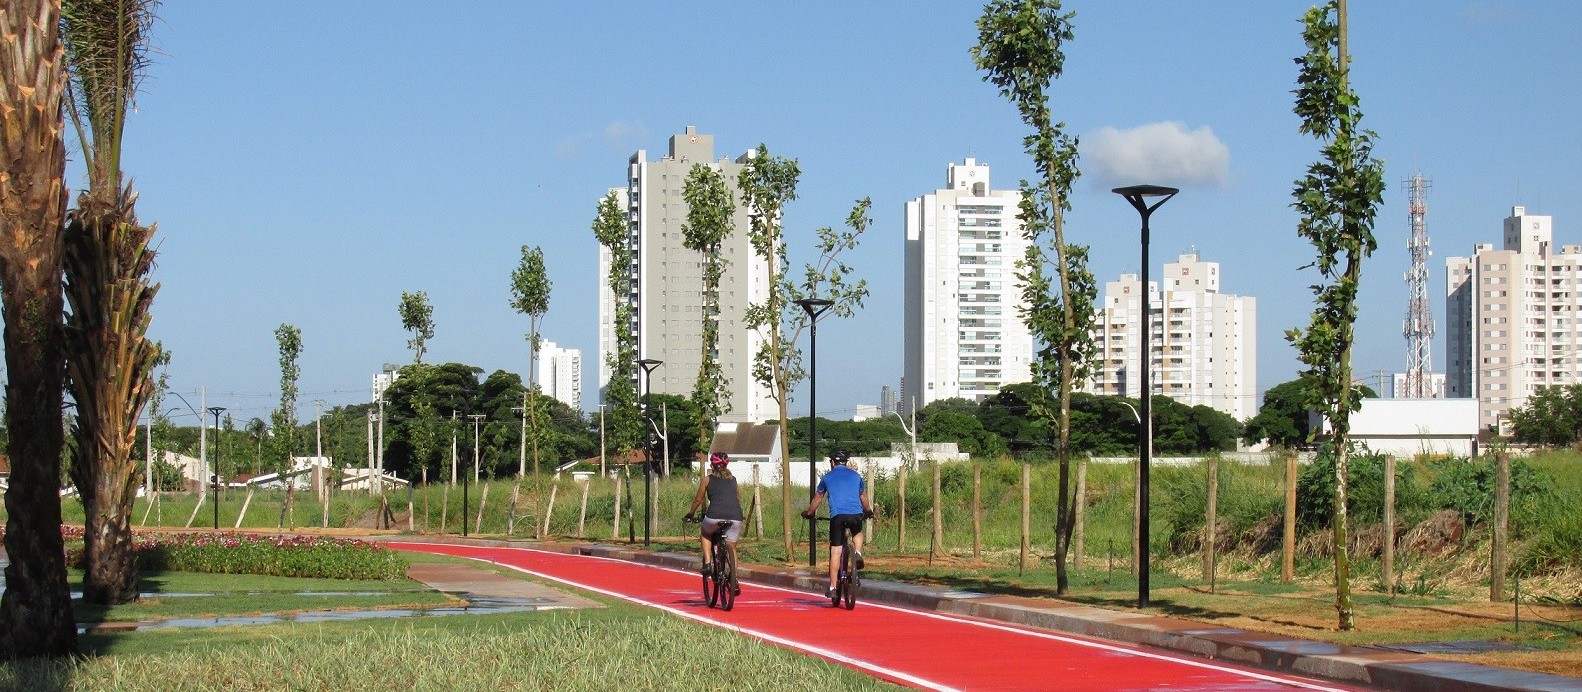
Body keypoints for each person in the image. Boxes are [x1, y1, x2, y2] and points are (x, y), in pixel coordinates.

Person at [801, 448, 874, 599]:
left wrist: (809, 513)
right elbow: (863, 497)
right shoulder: (856, 476)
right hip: (855, 514)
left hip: (838, 516)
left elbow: (818, 499)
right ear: (846, 462)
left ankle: (833, 587)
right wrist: (868, 511)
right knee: (857, 532)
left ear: (833, 463)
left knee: (835, 551)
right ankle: (858, 553)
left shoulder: (827, 477)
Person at [684, 452, 744, 595]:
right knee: (732, 546)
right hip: (735, 516)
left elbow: (698, 500)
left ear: (712, 465)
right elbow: (736, 498)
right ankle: (734, 579)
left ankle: (707, 564)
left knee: (705, 534)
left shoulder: (707, 479)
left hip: (714, 516)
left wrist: (690, 514)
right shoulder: (733, 480)